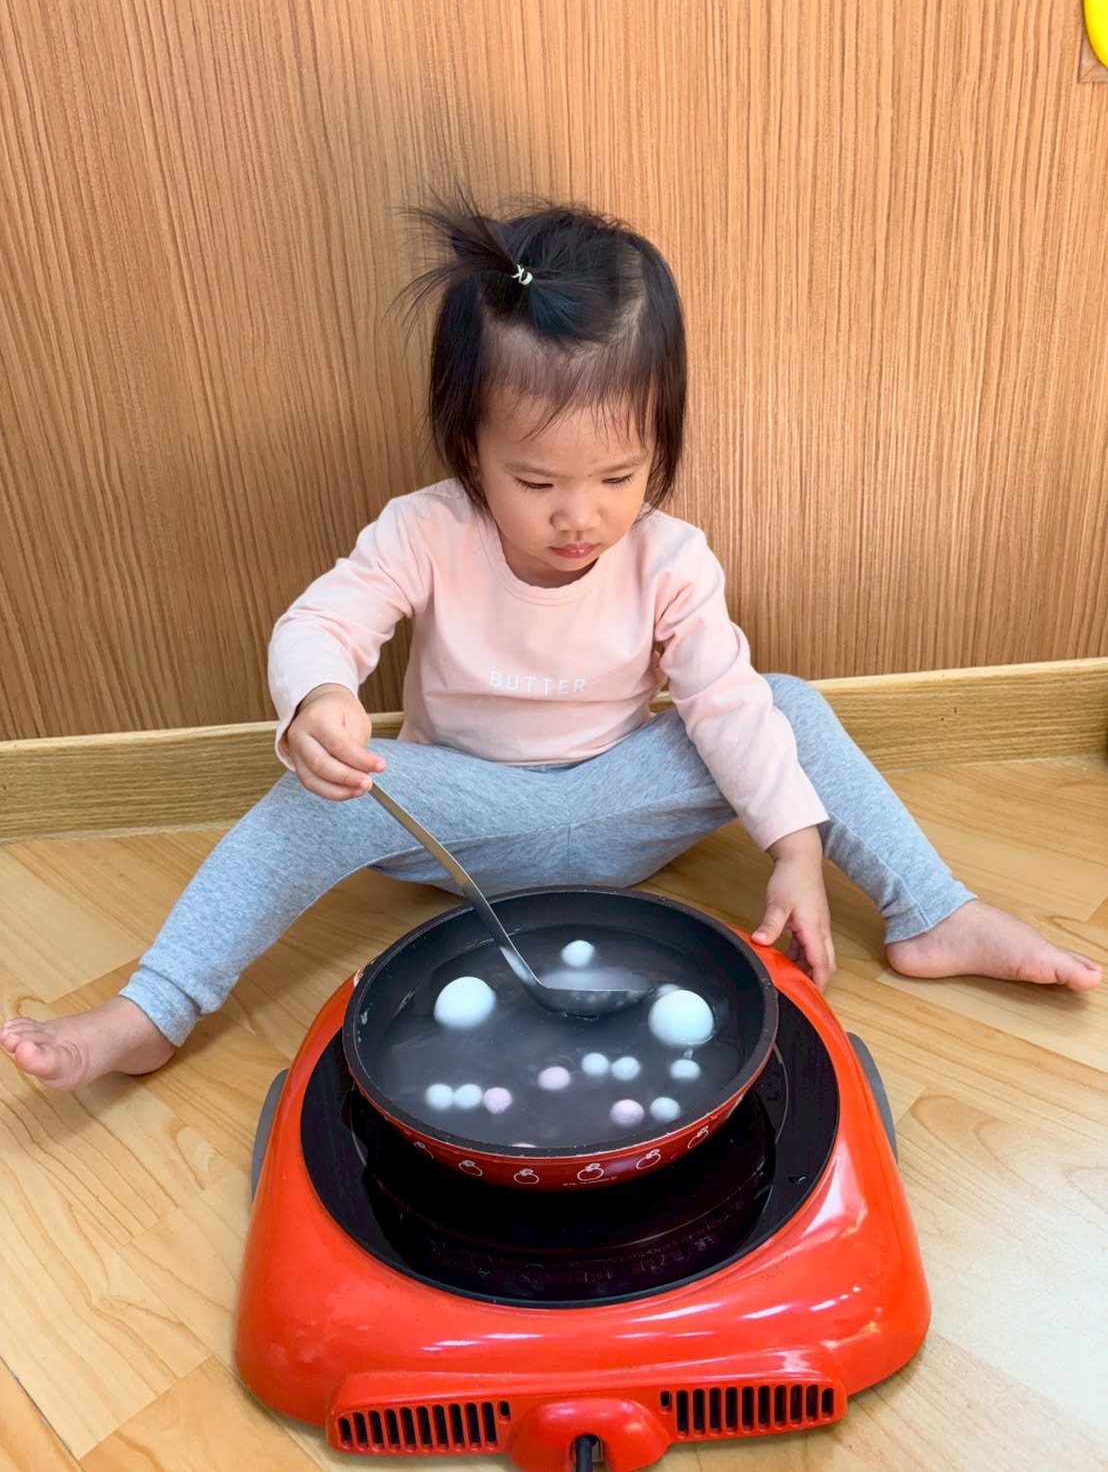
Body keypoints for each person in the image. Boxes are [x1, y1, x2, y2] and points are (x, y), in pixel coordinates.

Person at [2, 198, 1100, 1091]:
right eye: (536, 482)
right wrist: (319, 699)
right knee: (312, 796)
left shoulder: (670, 557)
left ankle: (931, 911)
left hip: (623, 810)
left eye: (619, 476)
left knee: (785, 701)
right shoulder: (426, 529)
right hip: (462, 829)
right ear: (468, 446)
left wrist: (793, 848)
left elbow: (723, 702)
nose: (582, 516)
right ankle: (154, 1010)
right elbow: (319, 623)